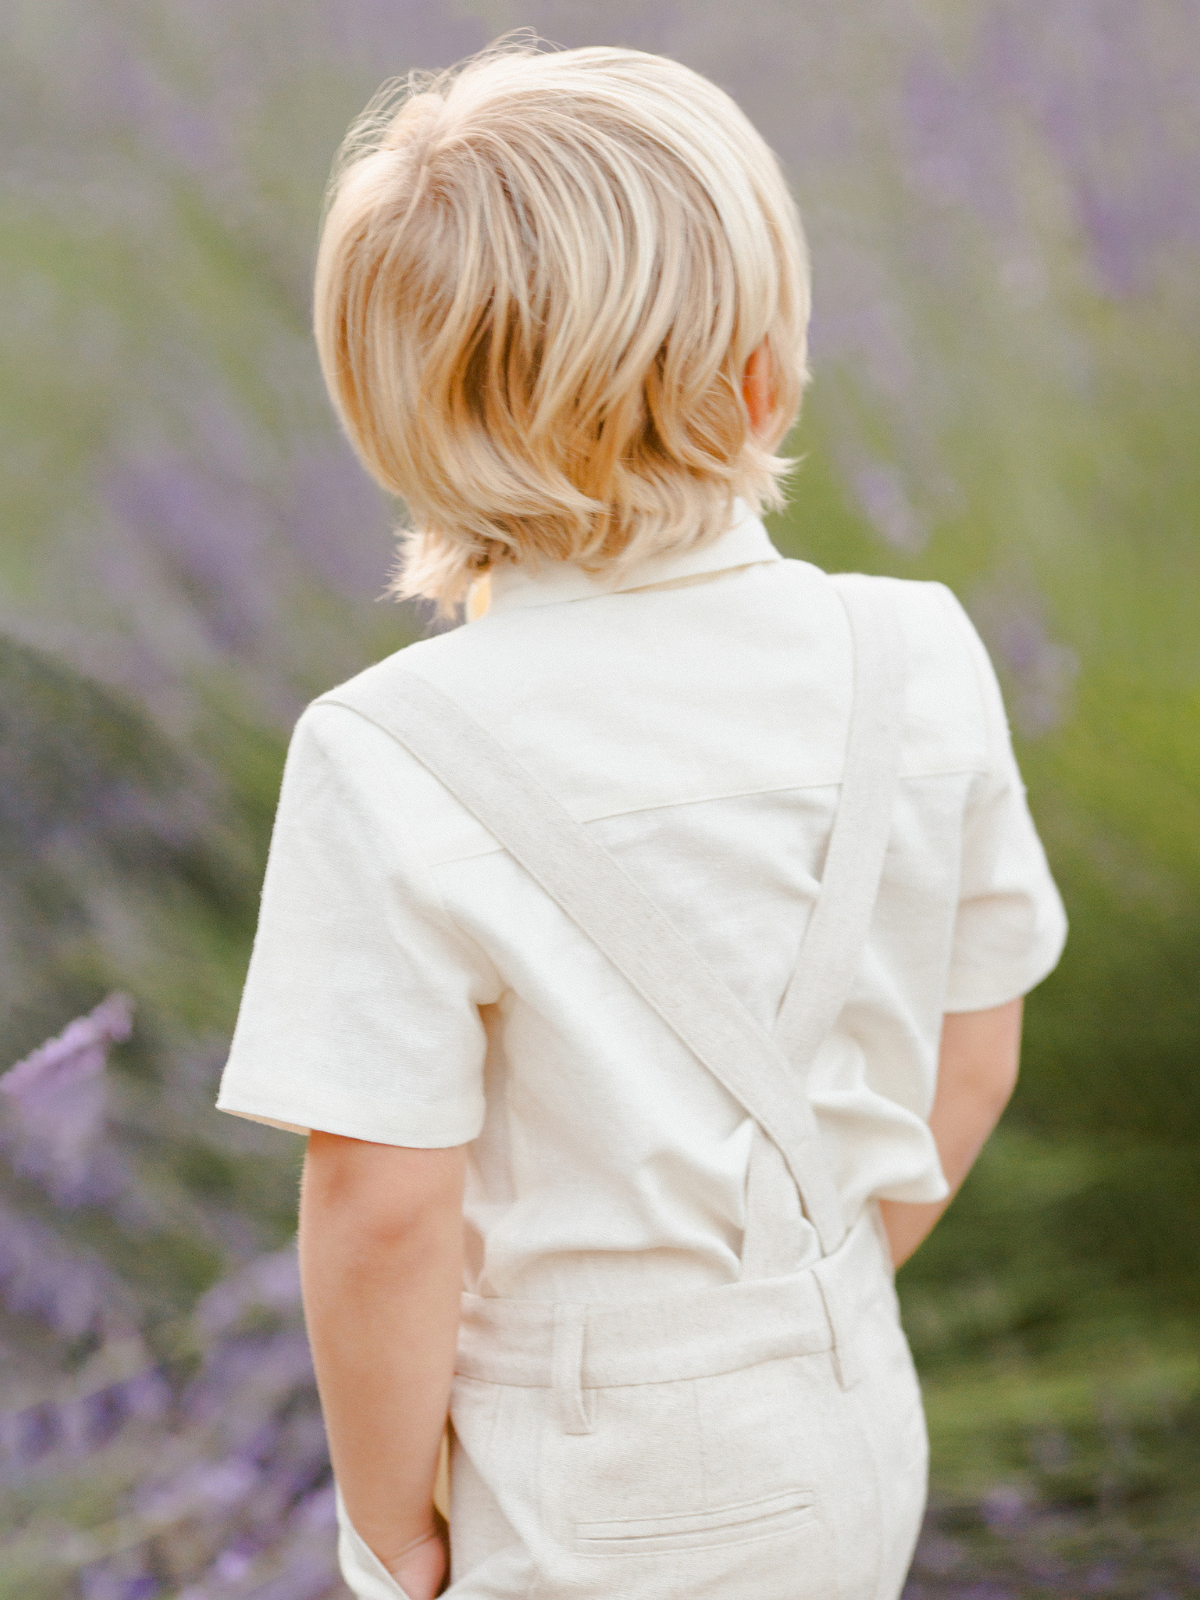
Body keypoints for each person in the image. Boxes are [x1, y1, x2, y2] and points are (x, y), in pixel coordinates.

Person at [216, 40, 1066, 1600]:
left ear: (391, 417)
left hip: (580, 1480)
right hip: (846, 1417)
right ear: (763, 375)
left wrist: (392, 1523)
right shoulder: (918, 653)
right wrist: (820, 1294)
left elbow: (381, 1210)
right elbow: (976, 1050)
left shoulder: (390, 753)